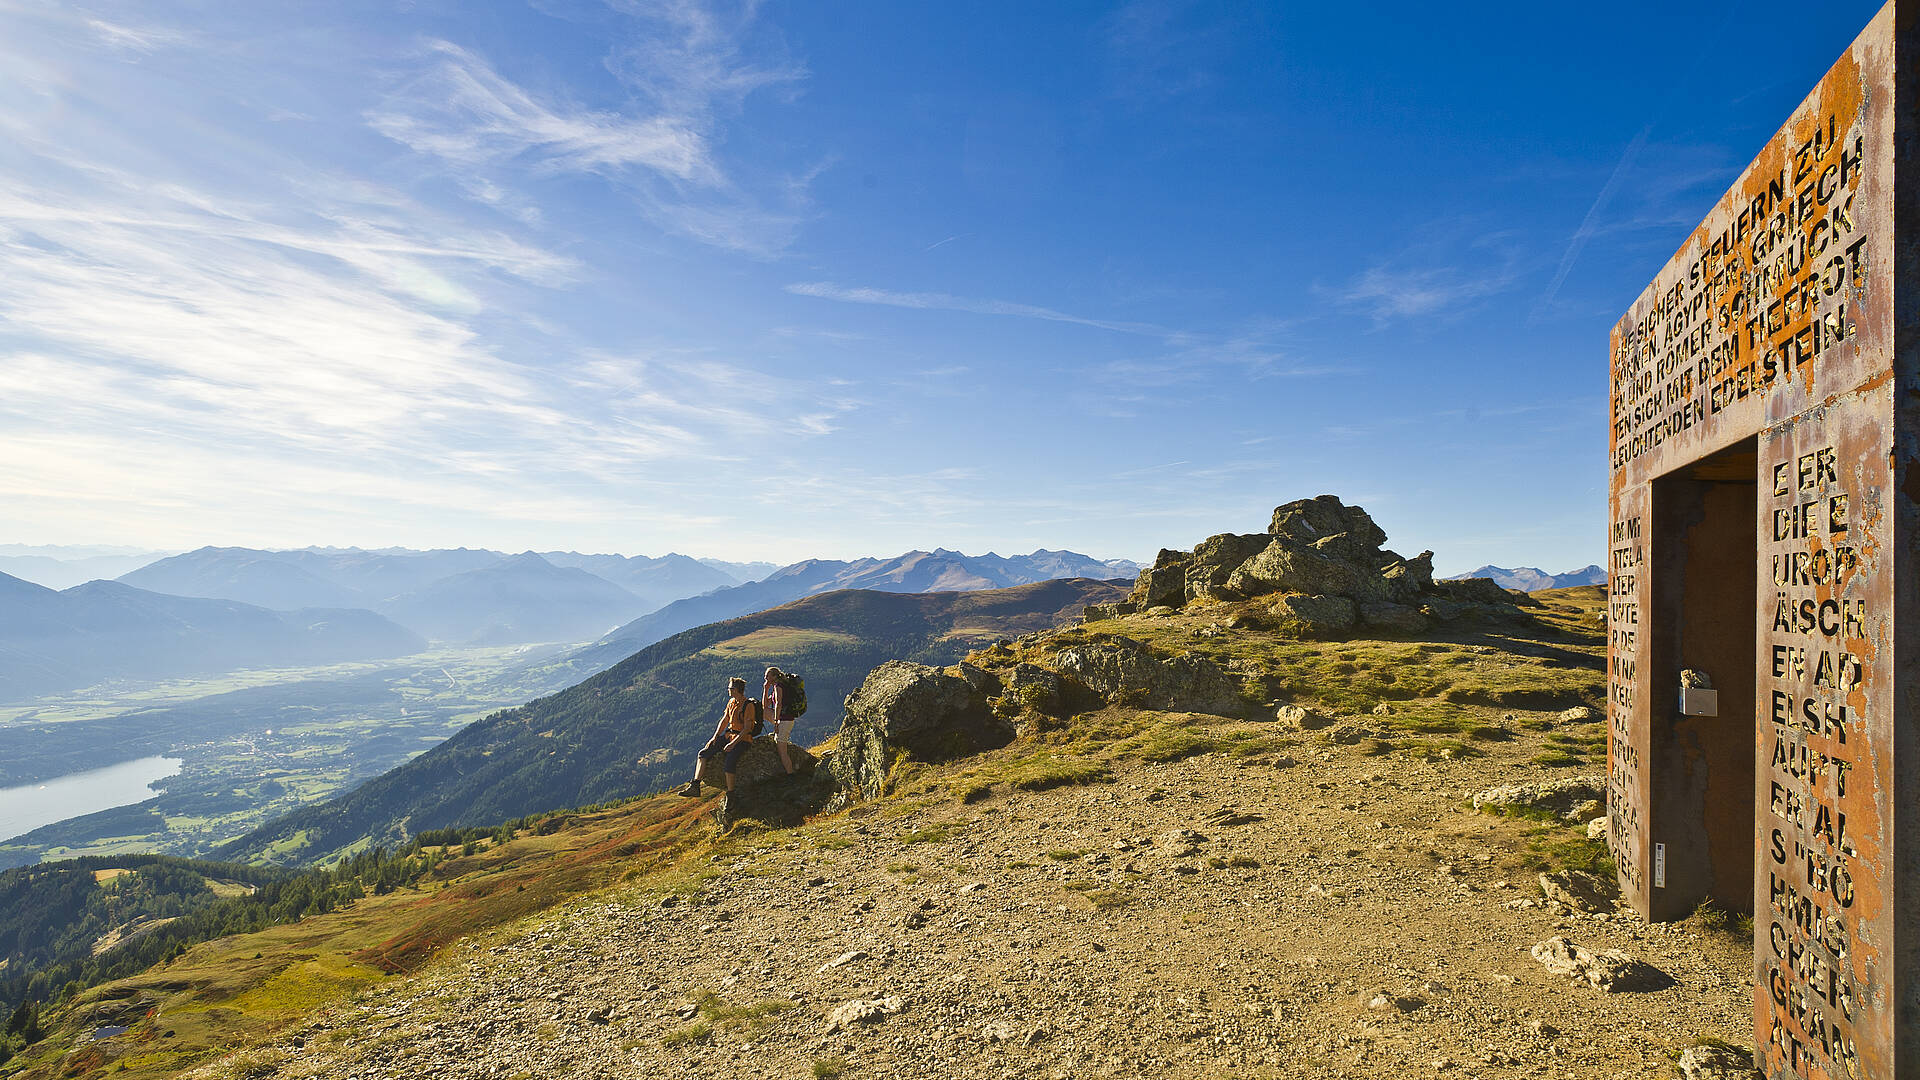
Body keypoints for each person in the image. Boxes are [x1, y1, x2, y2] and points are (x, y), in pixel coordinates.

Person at [679, 677, 754, 796]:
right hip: (729, 736)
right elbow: (724, 720)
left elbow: (747, 728)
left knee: (729, 762)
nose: (728, 690)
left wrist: (732, 744)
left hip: (742, 739)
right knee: (703, 753)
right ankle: (695, 785)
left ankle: (731, 795)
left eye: (730, 688)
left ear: (735, 689)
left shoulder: (748, 705)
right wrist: (715, 737)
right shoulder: (731, 702)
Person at [763, 666, 797, 775]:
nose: (765, 677)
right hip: (787, 720)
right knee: (762, 710)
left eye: (767, 675)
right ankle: (790, 773)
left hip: (784, 720)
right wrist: (766, 688)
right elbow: (765, 705)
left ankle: (791, 775)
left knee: (782, 751)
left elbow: (778, 704)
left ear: (773, 676)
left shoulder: (778, 687)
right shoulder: (779, 686)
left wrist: (777, 722)